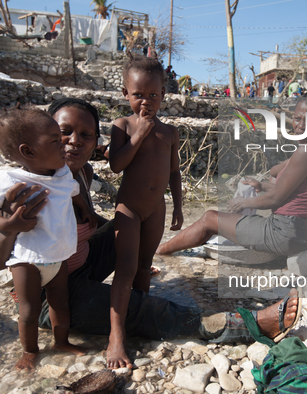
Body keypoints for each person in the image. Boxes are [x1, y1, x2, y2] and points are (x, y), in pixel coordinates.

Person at [0, 98, 306, 368]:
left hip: (79, 266)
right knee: (142, 310)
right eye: (62, 133)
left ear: (97, 143)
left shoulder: (79, 173)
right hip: (53, 293)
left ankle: (136, 270)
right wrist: (10, 226)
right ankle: (242, 324)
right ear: (43, 138)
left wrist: (114, 235)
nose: (73, 141)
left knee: (127, 224)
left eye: (86, 134)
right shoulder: (27, 187)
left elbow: (90, 219)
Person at [156, 92, 307, 257]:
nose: (301, 126)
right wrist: (262, 186)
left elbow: (276, 198)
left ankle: (159, 252)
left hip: (289, 235)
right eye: (297, 118)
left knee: (210, 218)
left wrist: (243, 202)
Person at [0, 108, 91, 370]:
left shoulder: (62, 174)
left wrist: (85, 208)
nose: (63, 143)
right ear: (28, 152)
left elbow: (72, 193)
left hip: (58, 256)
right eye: (54, 139)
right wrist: (8, 223)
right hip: (26, 259)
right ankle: (29, 352)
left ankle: (61, 342)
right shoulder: (11, 179)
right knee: (28, 310)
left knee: (60, 304)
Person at [108, 54, 183, 369]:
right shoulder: (122, 125)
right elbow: (115, 165)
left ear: (163, 95)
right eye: (138, 94)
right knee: (124, 270)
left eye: (153, 95)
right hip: (129, 209)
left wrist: (179, 205)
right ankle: (115, 336)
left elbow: (174, 172)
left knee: (144, 266)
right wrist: (137, 136)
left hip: (157, 209)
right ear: (126, 94)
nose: (146, 102)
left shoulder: (169, 132)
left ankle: (136, 317)